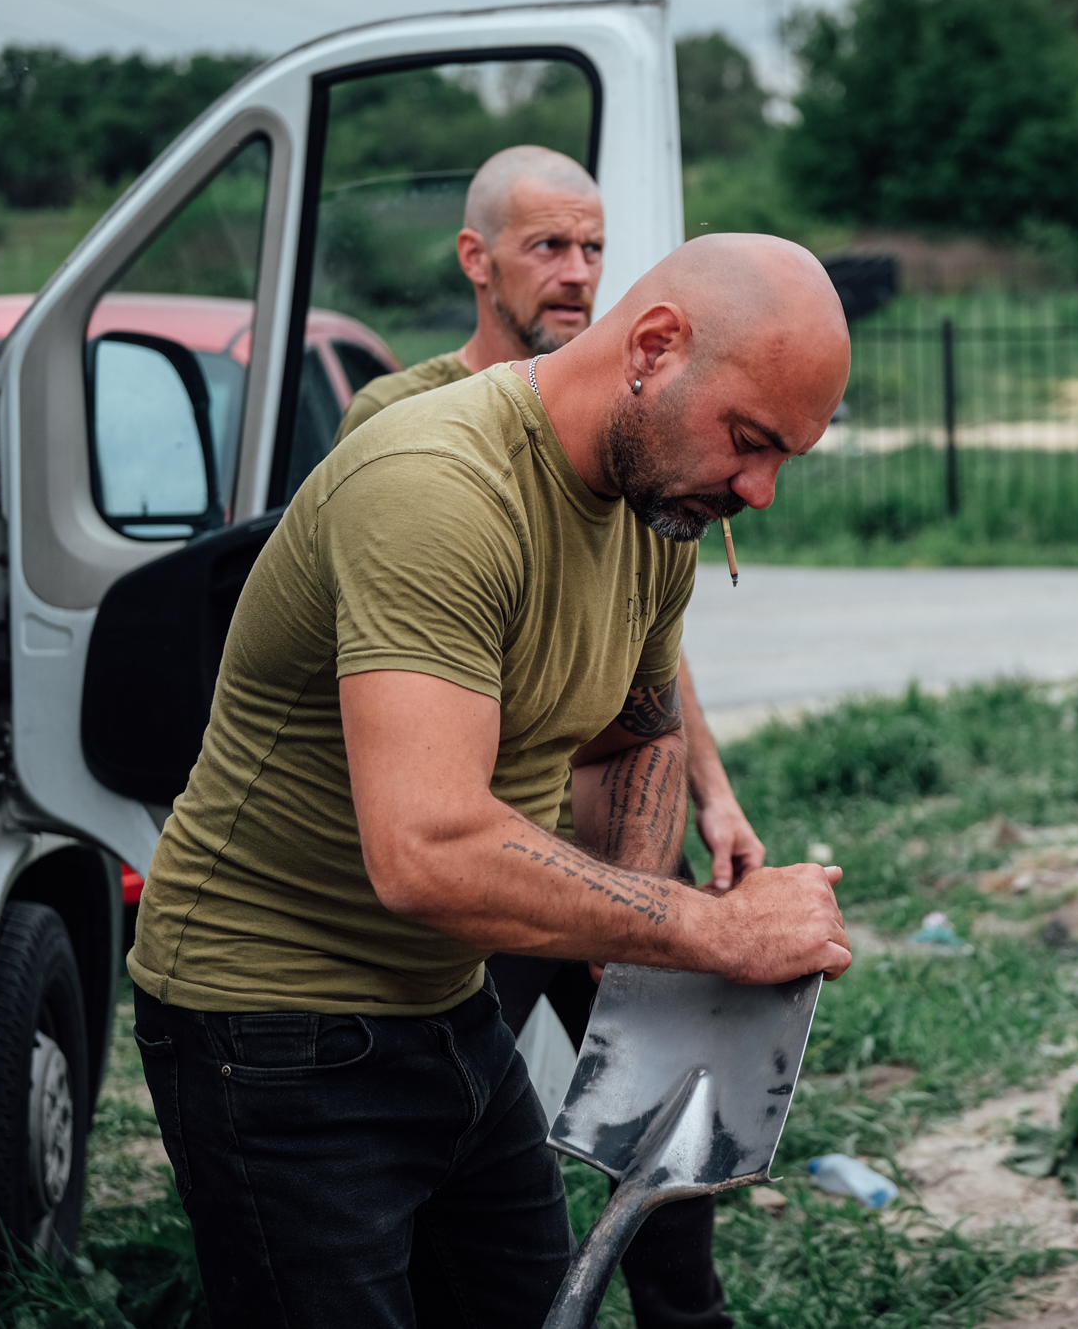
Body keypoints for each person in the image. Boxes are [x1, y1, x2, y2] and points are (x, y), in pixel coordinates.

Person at [126, 232, 853, 1328]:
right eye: (749, 441)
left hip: (448, 1002)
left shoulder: (657, 509)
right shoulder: (437, 487)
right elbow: (425, 850)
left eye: (784, 456)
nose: (758, 488)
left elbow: (632, 738)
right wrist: (711, 932)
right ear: (654, 346)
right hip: (268, 1025)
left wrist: (635, 952)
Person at [334, 144, 761, 1329]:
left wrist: (711, 792)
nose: (576, 274)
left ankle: (685, 1312)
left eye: (590, 248)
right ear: (476, 259)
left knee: (669, 1074)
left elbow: (643, 646)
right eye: (546, 247)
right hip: (477, 847)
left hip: (603, 826)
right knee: (450, 1113)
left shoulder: (634, 431)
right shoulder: (409, 424)